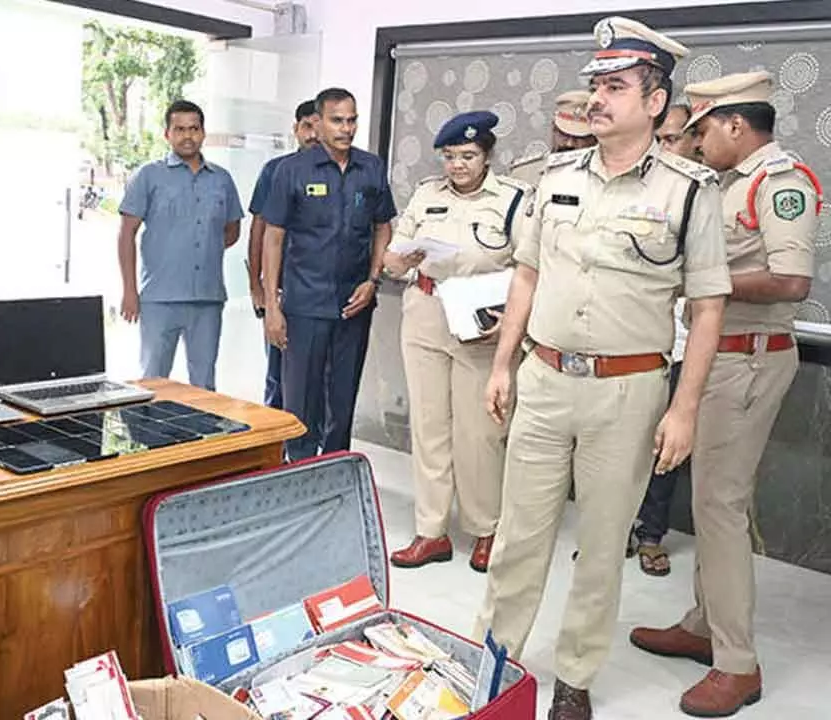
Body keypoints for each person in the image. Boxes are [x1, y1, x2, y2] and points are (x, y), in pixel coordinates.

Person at [473, 16, 731, 720]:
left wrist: (683, 410)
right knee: (519, 535)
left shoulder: (688, 191)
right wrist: (502, 366)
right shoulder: (555, 175)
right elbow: (525, 275)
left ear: (655, 103)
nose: (597, 98)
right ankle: (493, 662)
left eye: (615, 86)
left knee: (599, 543)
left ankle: (577, 675)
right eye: (595, 84)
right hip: (545, 380)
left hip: (628, 392)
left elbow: (707, 309)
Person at [631, 70, 820, 718]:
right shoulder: (728, 183)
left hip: (751, 361)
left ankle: (738, 664)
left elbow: (792, 279)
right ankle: (704, 624)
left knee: (720, 509)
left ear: (737, 125)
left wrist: (709, 282)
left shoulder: (779, 182)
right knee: (712, 502)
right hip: (720, 359)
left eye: (705, 129)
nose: (699, 140)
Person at [385, 111, 532, 573]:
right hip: (426, 312)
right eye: (450, 157)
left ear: (487, 155)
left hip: (480, 321)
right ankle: (431, 532)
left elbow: (531, 267)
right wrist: (397, 259)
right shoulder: (427, 193)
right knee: (429, 429)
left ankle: (485, 529)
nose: (458, 166)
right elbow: (393, 258)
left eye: (468, 156)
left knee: (480, 433)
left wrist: (513, 319)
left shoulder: (513, 199)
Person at [260, 87, 397, 461]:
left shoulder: (370, 167)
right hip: (304, 305)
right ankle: (299, 468)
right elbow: (273, 238)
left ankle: (334, 467)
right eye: (337, 120)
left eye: (352, 120)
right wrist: (272, 305)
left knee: (343, 396)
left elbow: (383, 227)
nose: (347, 129)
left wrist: (373, 280)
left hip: (354, 305)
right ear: (317, 123)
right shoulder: (291, 171)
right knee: (299, 399)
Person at [118, 100, 244, 391]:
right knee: (152, 382)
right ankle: (147, 437)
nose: (187, 135)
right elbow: (126, 234)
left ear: (203, 133)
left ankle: (205, 438)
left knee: (204, 387)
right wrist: (129, 290)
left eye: (194, 129)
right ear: (167, 134)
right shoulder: (148, 176)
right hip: (159, 299)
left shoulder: (222, 179)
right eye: (179, 129)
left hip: (208, 300)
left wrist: (199, 249)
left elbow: (232, 230)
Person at [631, 102, 704, 577]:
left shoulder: (704, 194)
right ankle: (618, 529)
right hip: (637, 341)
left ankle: (651, 535)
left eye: (672, 138)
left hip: (685, 343)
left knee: (666, 449)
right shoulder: (639, 190)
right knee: (628, 444)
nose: (663, 148)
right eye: (658, 138)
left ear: (694, 141)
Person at [249, 100, 321, 410]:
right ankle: (275, 452)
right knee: (278, 373)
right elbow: (259, 231)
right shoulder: (276, 170)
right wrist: (257, 285)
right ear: (296, 129)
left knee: (317, 379)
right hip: (280, 289)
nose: (313, 135)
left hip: (319, 293)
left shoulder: (345, 173)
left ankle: (311, 454)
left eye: (320, 127)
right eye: (307, 126)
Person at [507, 90, 598, 185]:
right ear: (553, 129)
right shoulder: (525, 173)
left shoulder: (605, 177)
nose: (569, 143)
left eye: (579, 137)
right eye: (563, 134)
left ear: (595, 138)